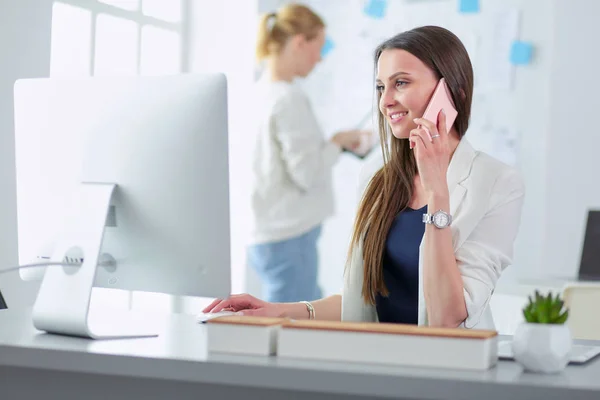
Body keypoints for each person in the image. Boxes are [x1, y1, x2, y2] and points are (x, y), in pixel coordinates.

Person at [209, 26, 525, 330]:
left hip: (448, 371)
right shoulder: (377, 173)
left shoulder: (498, 183)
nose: (385, 101)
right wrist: (277, 310)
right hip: (374, 361)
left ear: (451, 91)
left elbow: (447, 318)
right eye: (380, 87)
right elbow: (362, 306)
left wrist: (437, 192)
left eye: (401, 83)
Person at [247, 3, 370, 303]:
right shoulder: (288, 98)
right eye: (319, 46)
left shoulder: (259, 92)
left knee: (305, 309)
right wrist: (338, 143)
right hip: (289, 237)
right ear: (300, 43)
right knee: (293, 328)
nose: (320, 58)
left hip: (267, 235)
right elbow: (306, 173)